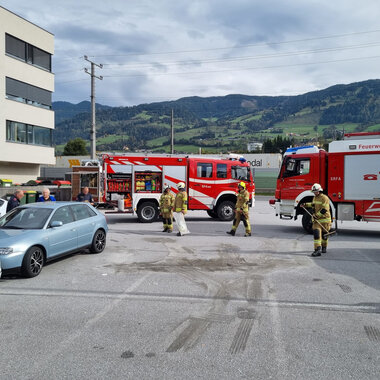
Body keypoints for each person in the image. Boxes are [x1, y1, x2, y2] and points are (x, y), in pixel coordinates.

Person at [301, 183, 331, 257]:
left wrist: (317, 215)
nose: (314, 193)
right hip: (317, 221)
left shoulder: (325, 198)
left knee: (324, 235)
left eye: (316, 191)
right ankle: (317, 250)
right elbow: (313, 204)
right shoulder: (315, 197)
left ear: (319, 190)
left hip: (325, 220)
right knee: (316, 235)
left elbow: (324, 209)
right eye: (313, 192)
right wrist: (305, 204)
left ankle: (324, 247)